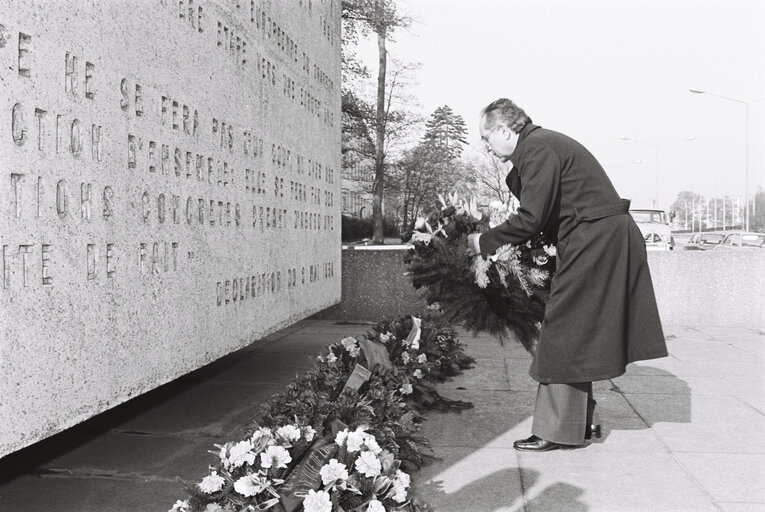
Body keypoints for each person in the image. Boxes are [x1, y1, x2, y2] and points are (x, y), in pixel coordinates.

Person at [466, 98, 668, 451]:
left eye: (486, 137)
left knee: (562, 327)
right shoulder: (540, 145)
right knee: (576, 330)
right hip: (598, 238)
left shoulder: (537, 148)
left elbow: (532, 218)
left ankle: (556, 430)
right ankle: (583, 421)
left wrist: (483, 241)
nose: (485, 145)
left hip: (596, 240)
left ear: (503, 129)